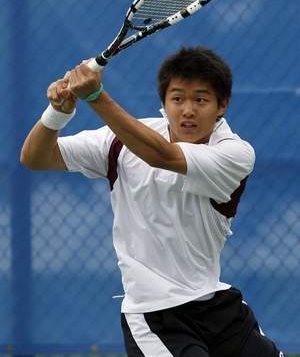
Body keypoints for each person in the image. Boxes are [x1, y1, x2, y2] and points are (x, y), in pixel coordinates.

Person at [20, 47, 285, 357]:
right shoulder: (120, 142)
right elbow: (35, 157)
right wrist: (58, 113)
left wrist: (95, 97)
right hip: (153, 316)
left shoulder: (235, 153)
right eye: (177, 98)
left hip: (214, 305)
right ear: (163, 103)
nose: (188, 110)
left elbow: (161, 155)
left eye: (200, 99)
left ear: (221, 105)